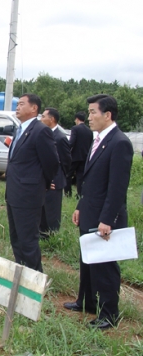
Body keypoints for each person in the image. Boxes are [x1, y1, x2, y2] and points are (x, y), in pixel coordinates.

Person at [64, 94, 133, 330]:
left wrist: (107, 220)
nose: (89, 116)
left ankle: (109, 314)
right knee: (87, 261)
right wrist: (80, 206)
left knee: (105, 267)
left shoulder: (120, 142)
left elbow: (116, 188)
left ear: (108, 115)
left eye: (93, 112)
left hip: (105, 219)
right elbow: (92, 181)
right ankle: (87, 302)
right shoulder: (98, 140)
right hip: (90, 211)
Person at [5, 93, 59, 272]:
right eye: (17, 104)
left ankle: (34, 279)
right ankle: (21, 274)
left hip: (28, 195)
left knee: (28, 241)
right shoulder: (19, 129)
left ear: (34, 108)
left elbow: (51, 162)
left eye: (21, 104)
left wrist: (43, 183)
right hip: (14, 193)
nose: (17, 107)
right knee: (16, 239)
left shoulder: (40, 130)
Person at [39, 108, 71, 237]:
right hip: (44, 179)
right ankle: (42, 232)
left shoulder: (60, 137)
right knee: (42, 208)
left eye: (43, 116)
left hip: (55, 180)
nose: (41, 119)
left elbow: (66, 160)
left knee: (52, 210)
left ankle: (52, 234)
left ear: (51, 119)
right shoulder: (43, 134)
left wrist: (59, 176)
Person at [65, 111, 93, 198]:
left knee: (68, 175)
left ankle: (67, 193)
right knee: (80, 176)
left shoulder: (75, 128)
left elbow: (71, 142)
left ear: (77, 119)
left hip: (75, 157)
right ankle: (80, 194)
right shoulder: (89, 131)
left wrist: (66, 151)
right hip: (85, 157)